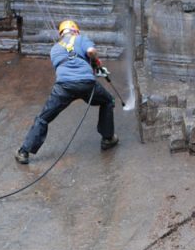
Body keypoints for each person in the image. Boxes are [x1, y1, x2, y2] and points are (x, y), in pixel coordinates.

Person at [15, 19, 118, 164]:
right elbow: (90, 51)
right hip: (86, 84)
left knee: (43, 118)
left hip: (64, 87)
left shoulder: (54, 49)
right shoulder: (81, 39)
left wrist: (91, 67)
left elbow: (66, 65)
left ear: (61, 34)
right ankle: (107, 139)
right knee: (108, 100)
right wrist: (96, 64)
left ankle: (24, 152)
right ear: (75, 30)